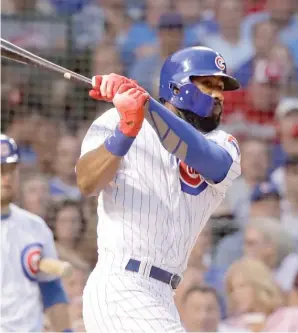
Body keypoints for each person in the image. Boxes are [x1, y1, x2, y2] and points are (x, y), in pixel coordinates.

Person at [76, 46, 241, 332]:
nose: (218, 95)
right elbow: (87, 182)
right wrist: (125, 130)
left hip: (164, 295)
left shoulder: (223, 143)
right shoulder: (115, 120)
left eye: (221, 87)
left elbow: (207, 159)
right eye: (208, 84)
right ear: (177, 86)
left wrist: (147, 106)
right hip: (121, 284)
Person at [0, 134, 72, 332]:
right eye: (1, 170)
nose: (7, 177)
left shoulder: (35, 226)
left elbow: (52, 291)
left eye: (11, 169)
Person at [225, 258, 298, 332]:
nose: (236, 294)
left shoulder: (292, 317)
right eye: (232, 289)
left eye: (242, 286)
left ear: (259, 284)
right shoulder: (231, 326)